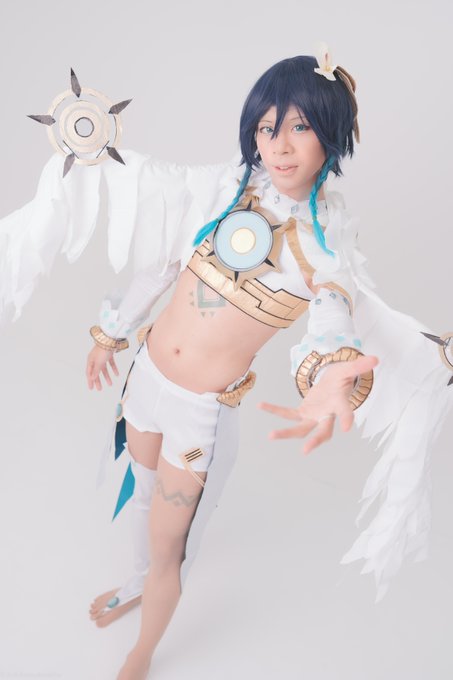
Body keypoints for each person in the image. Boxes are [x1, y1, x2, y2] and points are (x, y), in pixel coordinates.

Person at [85, 48, 379, 679]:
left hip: (198, 415)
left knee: (169, 543)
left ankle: (142, 652)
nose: (280, 144)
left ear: (331, 133)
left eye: (300, 126)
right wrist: (112, 333)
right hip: (146, 380)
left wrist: (333, 375)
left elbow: (333, 310)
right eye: (267, 126)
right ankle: (136, 583)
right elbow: (164, 264)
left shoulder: (327, 239)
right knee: (140, 500)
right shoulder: (225, 187)